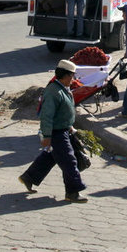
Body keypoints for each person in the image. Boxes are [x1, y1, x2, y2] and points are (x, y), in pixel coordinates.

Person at [18, 60, 88, 203]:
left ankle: (29, 177)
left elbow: (63, 112)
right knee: (69, 161)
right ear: (65, 75)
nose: (73, 79)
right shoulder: (53, 92)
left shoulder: (63, 88)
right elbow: (47, 116)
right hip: (56, 133)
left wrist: (70, 127)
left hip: (64, 130)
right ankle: (73, 192)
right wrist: (46, 136)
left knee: (51, 157)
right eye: (72, 76)